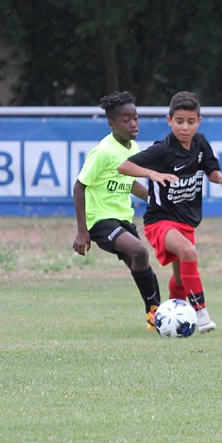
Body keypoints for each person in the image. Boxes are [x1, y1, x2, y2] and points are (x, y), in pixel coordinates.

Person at [117, 91, 222, 332]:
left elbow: (212, 172)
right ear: (169, 120)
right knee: (188, 252)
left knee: (182, 278)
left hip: (186, 220)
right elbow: (124, 166)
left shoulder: (200, 144)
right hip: (160, 220)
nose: (185, 127)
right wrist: (153, 174)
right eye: (179, 121)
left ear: (199, 121)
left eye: (191, 121)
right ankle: (201, 313)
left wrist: (221, 178)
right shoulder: (163, 149)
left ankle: (173, 319)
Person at [73, 91, 161, 331]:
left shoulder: (133, 148)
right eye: (126, 120)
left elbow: (130, 183)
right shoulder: (103, 151)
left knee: (139, 261)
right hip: (100, 221)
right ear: (112, 124)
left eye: (135, 118)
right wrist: (82, 231)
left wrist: (156, 199)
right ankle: (156, 312)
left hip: (123, 219)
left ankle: (155, 315)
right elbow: (79, 186)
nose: (133, 124)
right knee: (140, 251)